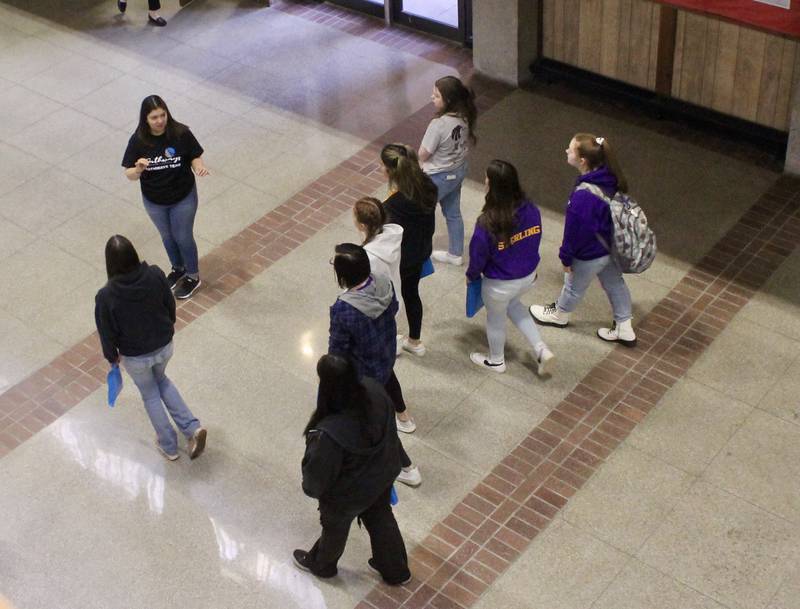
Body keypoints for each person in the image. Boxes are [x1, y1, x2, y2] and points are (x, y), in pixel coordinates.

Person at [293, 354, 411, 585]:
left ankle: (323, 564)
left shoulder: (329, 432)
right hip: (383, 472)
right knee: (381, 517)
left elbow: (315, 479)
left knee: (335, 528)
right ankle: (396, 571)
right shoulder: (375, 390)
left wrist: (315, 491)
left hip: (348, 494)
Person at [94, 235, 207, 461]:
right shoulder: (155, 274)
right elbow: (169, 304)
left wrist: (111, 357)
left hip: (136, 356)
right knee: (162, 380)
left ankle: (169, 445)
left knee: (150, 394)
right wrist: (169, 326)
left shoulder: (106, 296)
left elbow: (106, 331)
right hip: (164, 345)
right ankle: (191, 428)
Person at [529, 134, 636, 346]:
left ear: (582, 161)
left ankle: (559, 314)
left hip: (589, 253)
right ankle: (624, 326)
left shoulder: (583, 196)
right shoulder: (610, 179)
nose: (566, 152)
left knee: (573, 287)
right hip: (608, 246)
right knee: (615, 284)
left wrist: (566, 258)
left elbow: (574, 232)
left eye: (570, 150)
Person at [328, 243, 421, 485]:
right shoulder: (382, 281)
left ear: (343, 275)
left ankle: (406, 467)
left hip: (363, 372)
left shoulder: (344, 309)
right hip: (385, 353)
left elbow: (337, 351)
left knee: (378, 422)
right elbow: (395, 308)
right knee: (389, 380)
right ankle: (405, 417)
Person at [466, 161, 554, 375]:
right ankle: (540, 348)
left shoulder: (487, 222)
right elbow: (535, 238)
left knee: (495, 319)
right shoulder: (531, 209)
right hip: (527, 277)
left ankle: (496, 360)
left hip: (499, 284)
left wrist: (471, 275)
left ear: (493, 186)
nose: (485, 180)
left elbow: (477, 256)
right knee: (515, 305)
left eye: (487, 177)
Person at [122, 95, 209, 300]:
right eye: (154, 117)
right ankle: (177, 267)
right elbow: (129, 174)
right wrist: (138, 169)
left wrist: (199, 167)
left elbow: (194, 155)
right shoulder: (138, 141)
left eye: (163, 115)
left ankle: (192, 276)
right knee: (167, 236)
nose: (160, 120)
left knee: (183, 236)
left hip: (183, 197)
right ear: (146, 119)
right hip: (154, 200)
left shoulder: (181, 134)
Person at [380, 144, 437, 359]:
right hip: (421, 251)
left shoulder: (394, 204)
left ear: (390, 171)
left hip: (400, 259)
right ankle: (415, 341)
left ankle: (391, 342)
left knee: (391, 299)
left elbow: (386, 234)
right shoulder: (428, 185)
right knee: (412, 294)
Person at [419, 76, 477, 267]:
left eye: (436, 95)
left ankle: (420, 251)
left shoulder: (439, 124)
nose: (432, 97)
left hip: (437, 176)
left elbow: (424, 153)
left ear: (448, 100)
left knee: (421, 213)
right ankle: (455, 253)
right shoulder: (465, 117)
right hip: (457, 171)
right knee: (453, 213)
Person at [353, 196, 403, 312]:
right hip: (395, 296)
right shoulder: (392, 237)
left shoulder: (369, 257)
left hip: (382, 309)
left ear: (362, 226)